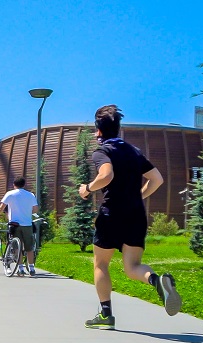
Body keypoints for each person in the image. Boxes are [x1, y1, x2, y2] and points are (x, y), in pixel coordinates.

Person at [78, 104, 181, 330]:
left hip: (111, 214)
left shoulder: (102, 151)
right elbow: (157, 179)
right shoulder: (134, 151)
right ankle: (156, 281)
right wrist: (138, 197)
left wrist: (87, 188)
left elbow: (106, 175)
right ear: (118, 128)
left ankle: (106, 314)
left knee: (101, 264)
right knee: (133, 266)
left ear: (98, 131)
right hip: (135, 215)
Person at [0, 176, 39, 275]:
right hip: (27, 224)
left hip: (14, 224)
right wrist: (27, 212)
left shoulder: (10, 194)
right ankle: (32, 268)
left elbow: (1, 208)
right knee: (29, 247)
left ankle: (20, 268)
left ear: (14, 185)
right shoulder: (30, 195)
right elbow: (36, 209)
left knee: (16, 247)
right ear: (24, 185)